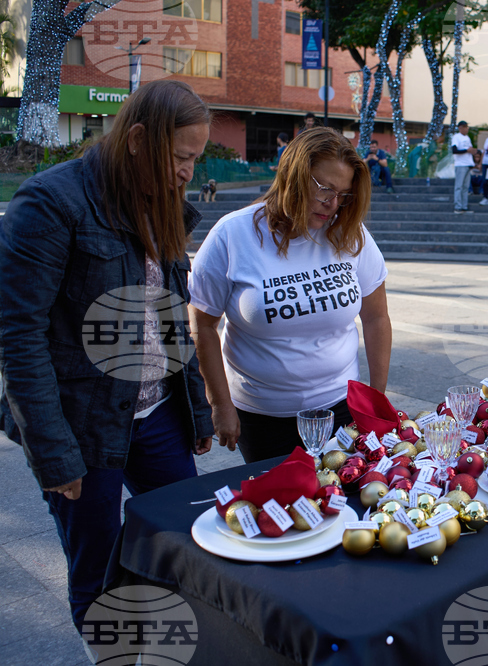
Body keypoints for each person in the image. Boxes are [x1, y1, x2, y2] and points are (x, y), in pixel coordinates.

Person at [0, 80, 215, 632]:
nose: (189, 172)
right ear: (139, 139)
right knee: (96, 574)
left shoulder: (162, 204)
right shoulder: (51, 202)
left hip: (157, 415)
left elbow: (172, 314)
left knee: (188, 540)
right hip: (80, 427)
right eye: (182, 156)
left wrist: (197, 406)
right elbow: (17, 336)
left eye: (198, 158)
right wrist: (53, 453)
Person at [189, 128, 392, 463]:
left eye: (344, 194)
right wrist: (220, 405)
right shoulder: (232, 235)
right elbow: (203, 326)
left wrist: (376, 397)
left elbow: (376, 317)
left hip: (340, 408)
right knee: (279, 506)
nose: (333, 205)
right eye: (325, 190)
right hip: (262, 417)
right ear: (293, 176)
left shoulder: (350, 233)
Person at [451, 120, 474, 213]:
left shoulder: (467, 138)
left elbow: (470, 149)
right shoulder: (456, 137)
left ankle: (464, 205)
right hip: (460, 164)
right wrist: (466, 150)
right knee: (459, 186)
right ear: (460, 128)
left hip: (468, 163)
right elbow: (454, 150)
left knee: (465, 187)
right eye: (464, 127)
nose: (466, 129)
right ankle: (458, 205)